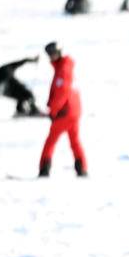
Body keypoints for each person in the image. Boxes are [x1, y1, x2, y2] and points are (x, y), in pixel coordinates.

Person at [38, 41, 87, 178]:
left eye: (53, 53)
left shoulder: (63, 70)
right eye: (49, 54)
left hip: (65, 112)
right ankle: (82, 169)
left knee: (50, 141)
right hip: (73, 111)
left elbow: (62, 92)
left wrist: (53, 111)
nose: (51, 56)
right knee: (75, 140)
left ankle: (44, 169)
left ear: (59, 52)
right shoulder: (65, 66)